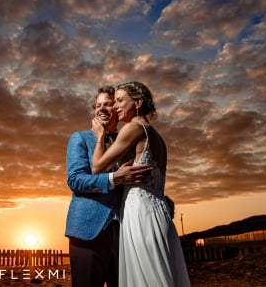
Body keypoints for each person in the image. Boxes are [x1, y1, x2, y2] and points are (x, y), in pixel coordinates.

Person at [91, 82, 190, 287]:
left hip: (140, 212)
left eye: (120, 101)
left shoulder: (134, 128)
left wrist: (100, 137)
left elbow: (97, 167)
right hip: (158, 209)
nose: (116, 106)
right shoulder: (157, 136)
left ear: (137, 102)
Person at [65, 85, 152, 287]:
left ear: (118, 109)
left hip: (125, 232)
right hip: (87, 230)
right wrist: (113, 178)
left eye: (108, 104)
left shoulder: (129, 140)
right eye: (98, 105)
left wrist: (160, 199)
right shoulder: (80, 138)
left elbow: (137, 180)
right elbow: (75, 180)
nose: (101, 109)